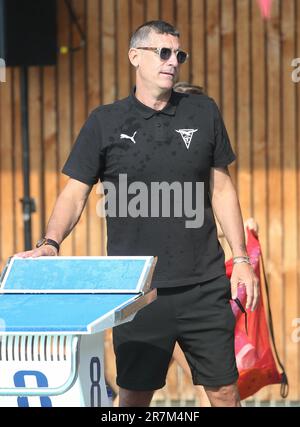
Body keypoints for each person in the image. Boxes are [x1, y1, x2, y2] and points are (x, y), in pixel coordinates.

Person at [16, 20, 259, 407]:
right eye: (163, 52)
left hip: (204, 285)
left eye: (179, 54)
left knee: (225, 391)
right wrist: (50, 242)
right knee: (134, 397)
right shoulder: (105, 122)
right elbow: (74, 194)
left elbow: (222, 188)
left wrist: (242, 259)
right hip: (140, 292)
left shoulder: (203, 111)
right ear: (135, 56)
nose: (173, 61)